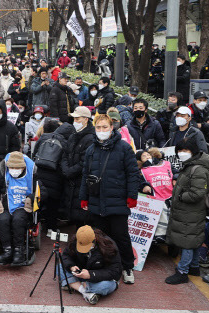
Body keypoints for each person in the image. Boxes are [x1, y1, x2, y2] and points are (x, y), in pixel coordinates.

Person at [79, 114, 139, 284]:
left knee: (121, 236)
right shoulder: (91, 150)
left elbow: (133, 173)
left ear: (112, 128)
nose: (101, 130)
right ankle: (103, 266)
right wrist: (83, 198)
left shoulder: (124, 148)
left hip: (118, 201)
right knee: (98, 237)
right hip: (96, 201)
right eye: (98, 127)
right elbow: (85, 176)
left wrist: (131, 196)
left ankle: (127, 267)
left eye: (105, 127)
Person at [165, 138, 209, 284]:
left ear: (193, 151)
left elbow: (197, 193)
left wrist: (180, 196)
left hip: (190, 211)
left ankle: (182, 271)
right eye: (179, 151)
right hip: (189, 211)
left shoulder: (198, 169)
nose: (182, 154)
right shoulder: (192, 165)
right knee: (193, 240)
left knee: (186, 242)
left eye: (185, 150)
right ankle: (194, 267)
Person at [0, 152, 44, 265]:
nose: (14, 170)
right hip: (6, 206)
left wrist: (31, 198)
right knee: (2, 219)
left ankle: (18, 252)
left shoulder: (31, 175)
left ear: (24, 167)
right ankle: (7, 251)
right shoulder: (3, 173)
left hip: (24, 207)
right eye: (11, 167)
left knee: (18, 219)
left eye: (17, 167)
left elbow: (42, 191)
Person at [58, 226, 122, 305]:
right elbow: (66, 256)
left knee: (106, 285)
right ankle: (86, 292)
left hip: (99, 277)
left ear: (94, 240)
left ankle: (74, 285)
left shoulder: (108, 245)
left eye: (86, 246)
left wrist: (90, 275)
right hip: (81, 273)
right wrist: (72, 267)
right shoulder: (75, 240)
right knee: (60, 267)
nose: (84, 250)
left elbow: (115, 272)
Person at [33, 120, 75, 231]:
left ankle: (34, 225)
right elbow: (66, 162)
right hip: (56, 178)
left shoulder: (44, 137)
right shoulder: (66, 143)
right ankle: (50, 228)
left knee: (38, 201)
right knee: (53, 205)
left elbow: (34, 154)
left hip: (40, 175)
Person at [60, 107, 95, 226]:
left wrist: (69, 171)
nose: (75, 121)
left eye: (77, 118)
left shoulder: (91, 138)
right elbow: (64, 154)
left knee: (81, 218)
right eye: (74, 118)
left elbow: (84, 161)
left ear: (86, 119)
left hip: (80, 181)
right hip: (70, 181)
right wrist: (65, 169)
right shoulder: (73, 136)